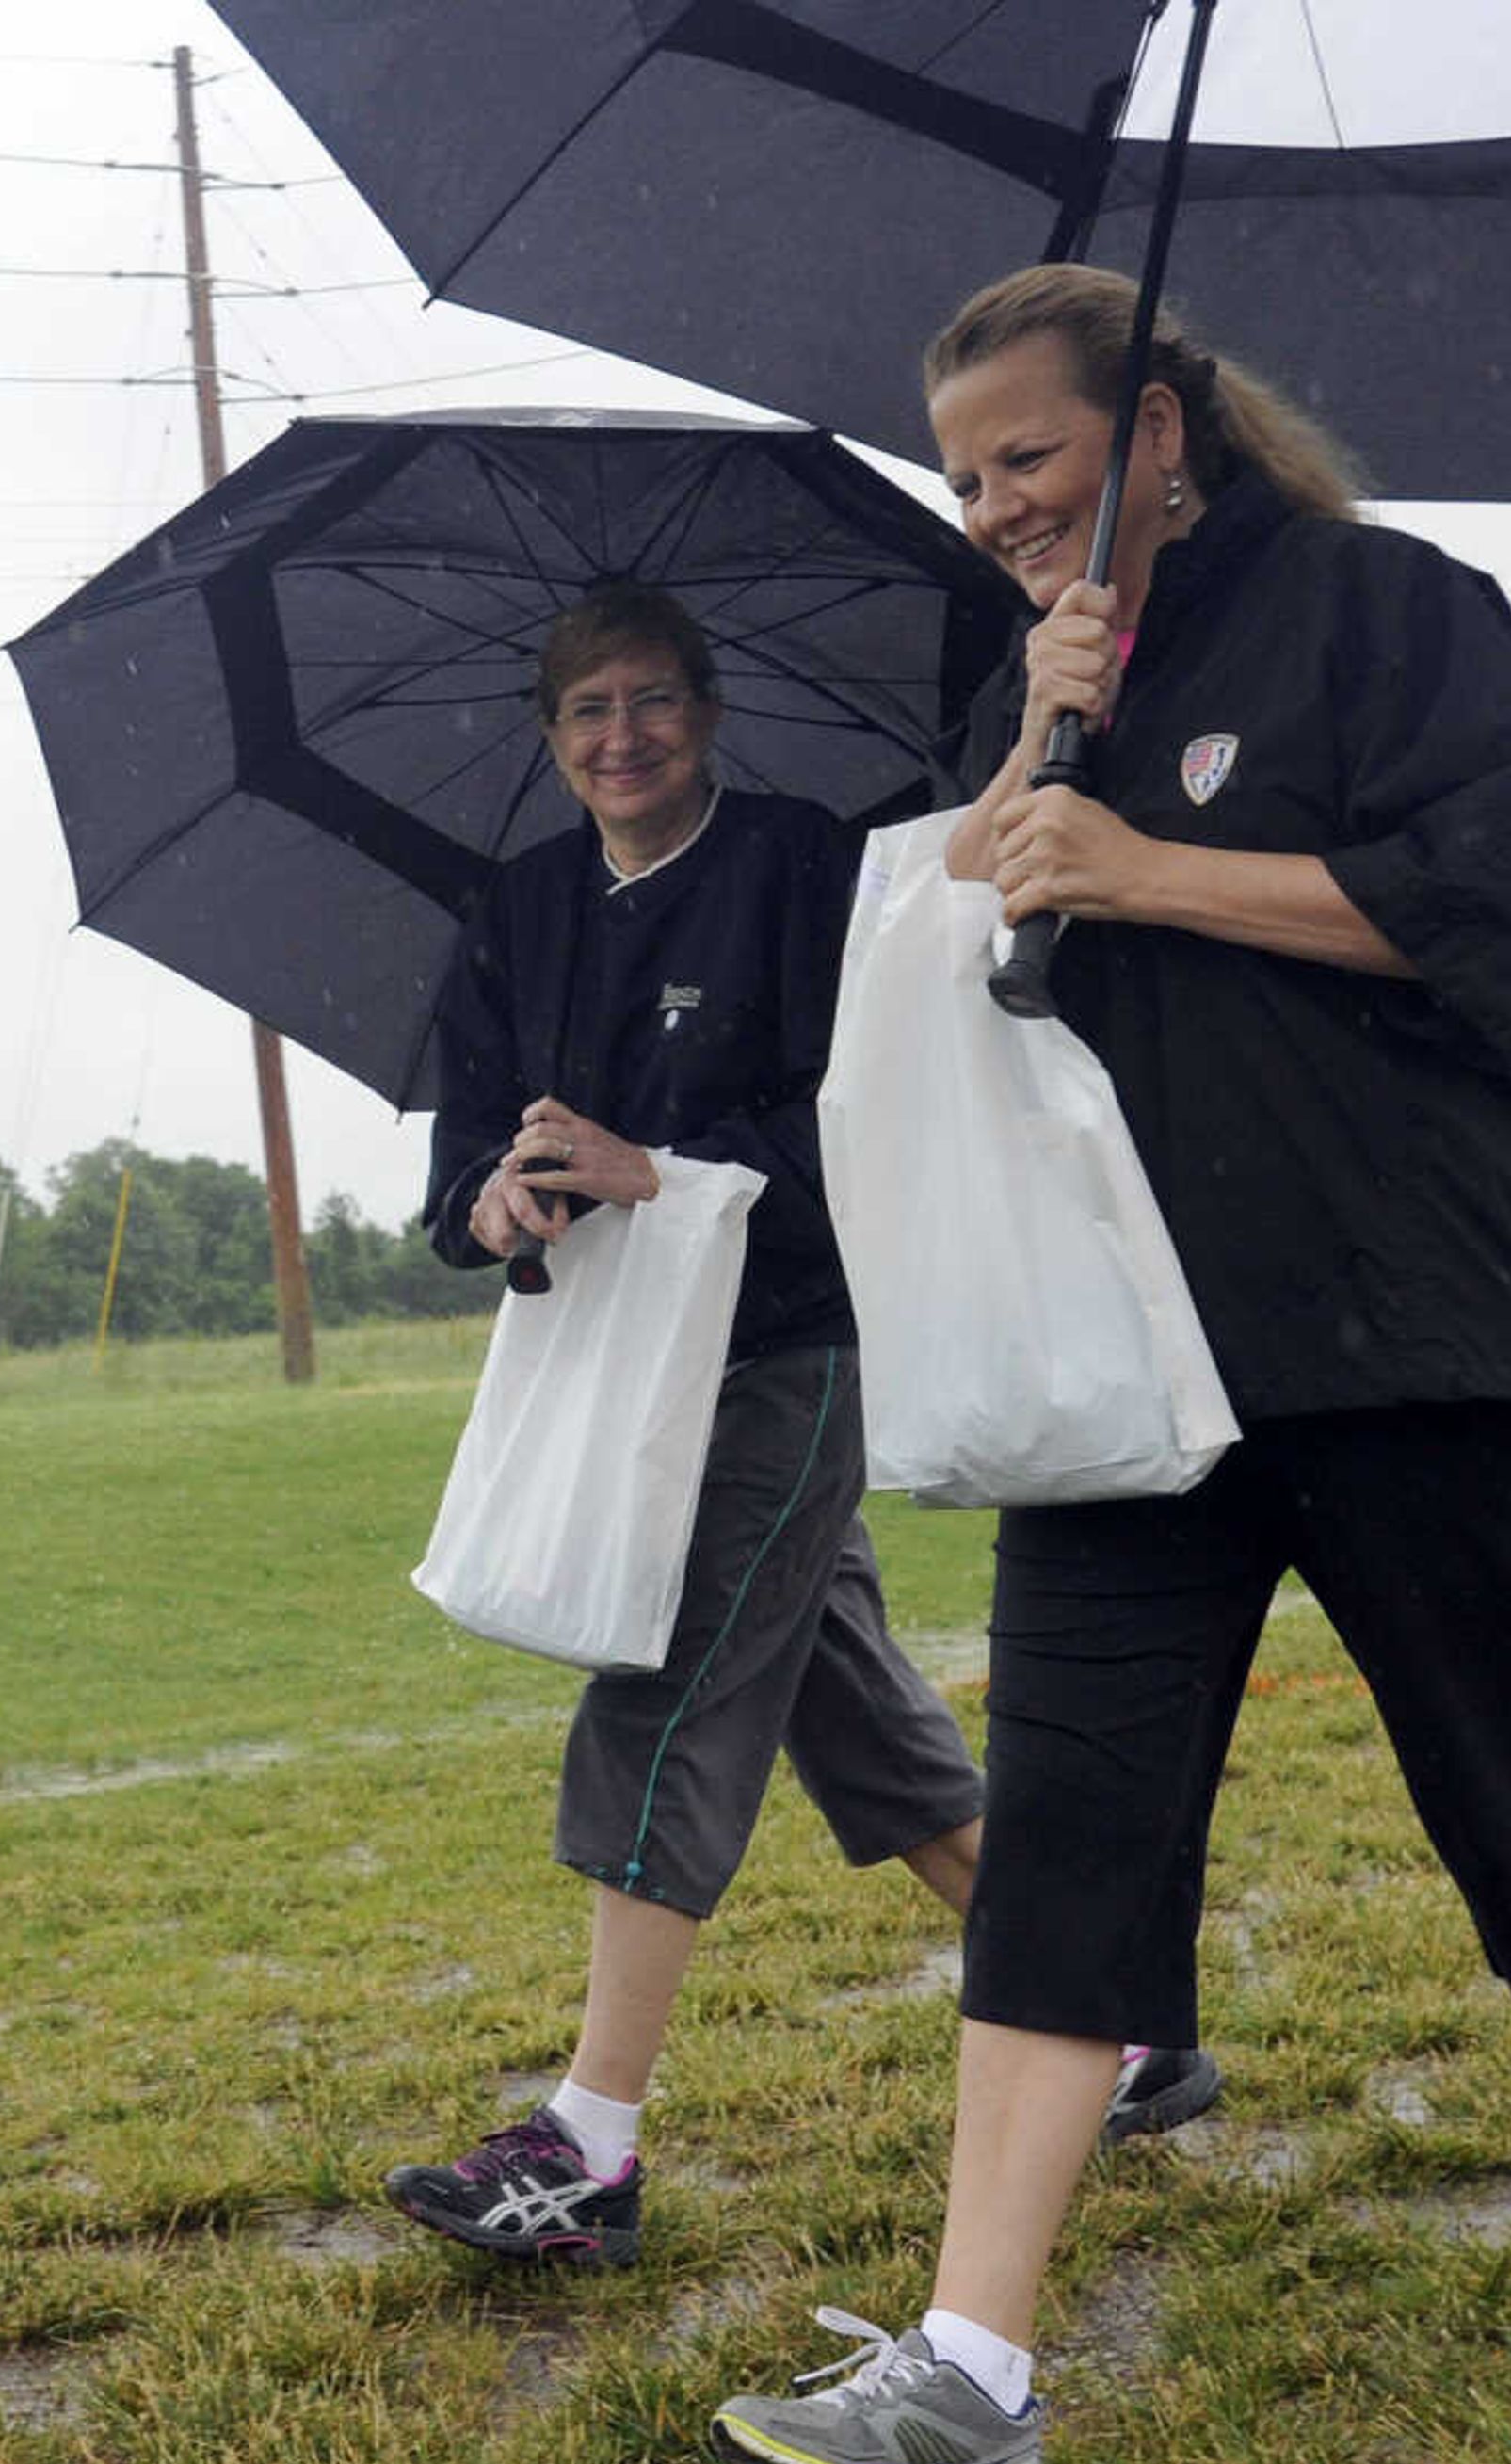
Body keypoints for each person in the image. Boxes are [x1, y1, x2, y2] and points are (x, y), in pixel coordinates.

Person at [708, 267, 1511, 2464]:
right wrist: (1039, 748)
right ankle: (970, 2369)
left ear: (1168, 423)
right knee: (1070, 1841)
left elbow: (1492, 919)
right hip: (1137, 1367)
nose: (995, 505)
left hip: (1422, 1330)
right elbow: (972, 955)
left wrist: (1146, 861)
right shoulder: (1057, 694)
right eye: (964, 477)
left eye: (1027, 455)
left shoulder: (1398, 612)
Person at [385, 582, 1220, 2273]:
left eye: (651, 702)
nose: (622, 740)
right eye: (586, 715)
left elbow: (881, 1101)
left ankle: (590, 2147)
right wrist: (495, 1202)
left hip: (790, 1346)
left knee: (668, 1675)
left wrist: (664, 1172)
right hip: (624, 1370)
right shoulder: (520, 907)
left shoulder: (802, 871)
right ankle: (1125, 2024)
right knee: (845, 1711)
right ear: (551, 747)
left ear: (707, 709)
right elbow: (461, 1141)